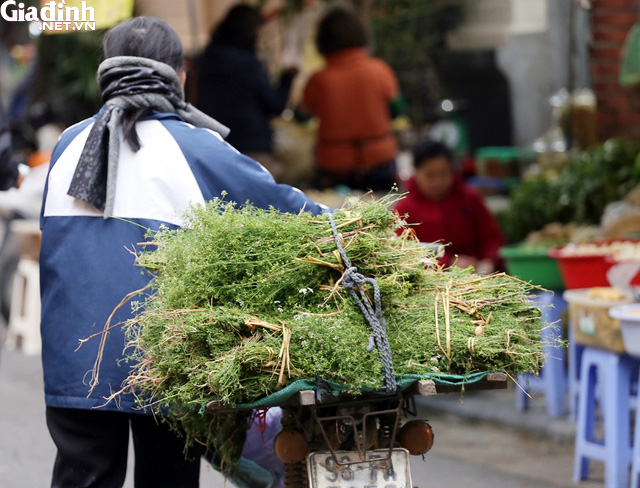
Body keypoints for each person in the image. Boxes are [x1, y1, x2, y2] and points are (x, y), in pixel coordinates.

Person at [39, 16, 326, 488]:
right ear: (180, 76)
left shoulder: (69, 143)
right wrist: (350, 225)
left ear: (106, 72)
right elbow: (287, 210)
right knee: (168, 478)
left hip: (74, 359)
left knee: (83, 479)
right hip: (164, 360)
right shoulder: (196, 145)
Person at [300, 6, 405, 192]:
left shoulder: (318, 79)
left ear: (322, 41)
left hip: (333, 166)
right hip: (379, 161)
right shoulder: (379, 70)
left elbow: (302, 116)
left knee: (337, 218)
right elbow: (398, 111)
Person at [196, 4, 295, 180]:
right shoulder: (249, 65)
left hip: (213, 143)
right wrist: (287, 78)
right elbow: (275, 104)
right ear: (250, 33)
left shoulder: (203, 62)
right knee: (259, 204)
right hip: (253, 145)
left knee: (222, 203)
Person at [394, 139, 505, 274]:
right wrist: (449, 263)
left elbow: (492, 237)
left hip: (478, 274)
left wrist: (489, 261)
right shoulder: (404, 208)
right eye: (430, 175)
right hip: (431, 280)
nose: (438, 182)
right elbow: (403, 251)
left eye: (443, 173)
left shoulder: (470, 198)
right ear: (416, 173)